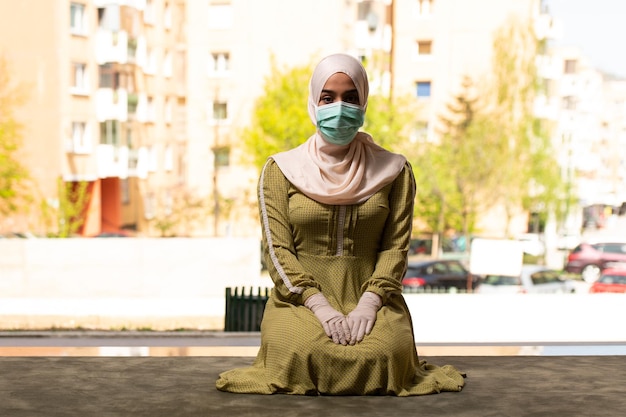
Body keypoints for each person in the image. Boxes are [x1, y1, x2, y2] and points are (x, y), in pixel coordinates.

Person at [216, 53, 465, 395]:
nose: (339, 107)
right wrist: (318, 305)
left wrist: (370, 302)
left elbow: (396, 247)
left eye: (350, 98)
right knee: (305, 353)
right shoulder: (281, 169)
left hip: (372, 295)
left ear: (363, 102)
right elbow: (277, 251)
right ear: (313, 102)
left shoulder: (394, 170)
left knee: (385, 354)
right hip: (300, 299)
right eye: (328, 98)